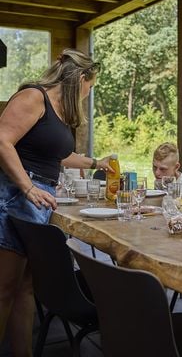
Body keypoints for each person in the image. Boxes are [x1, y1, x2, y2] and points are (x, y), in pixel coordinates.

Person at [0, 48, 113, 356]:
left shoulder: (58, 111)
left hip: (36, 201)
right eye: (91, 85)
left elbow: (60, 155)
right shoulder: (33, 97)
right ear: (80, 78)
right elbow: (2, 139)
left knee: (24, 288)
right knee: (4, 289)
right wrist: (26, 187)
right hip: (13, 197)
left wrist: (95, 163)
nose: (89, 92)